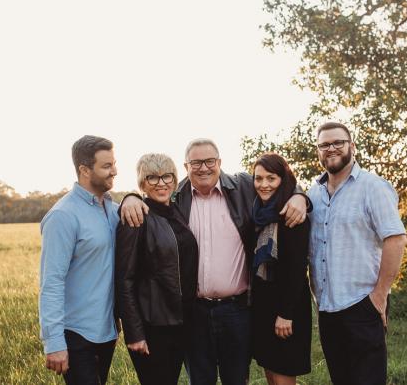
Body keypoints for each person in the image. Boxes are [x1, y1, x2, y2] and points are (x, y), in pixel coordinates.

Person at [120, 138, 308, 385]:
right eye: (196, 163)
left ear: (219, 162)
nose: (203, 168)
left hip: (238, 310)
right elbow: (153, 197)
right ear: (186, 166)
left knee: (236, 379)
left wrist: (300, 196)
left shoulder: (243, 187)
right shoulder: (177, 197)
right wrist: (130, 197)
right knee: (200, 380)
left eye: (209, 161)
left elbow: (278, 182)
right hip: (194, 312)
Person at [308, 122, 407, 385]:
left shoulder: (373, 187)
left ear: (352, 146)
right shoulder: (313, 194)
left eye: (338, 142)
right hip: (328, 309)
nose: (331, 149)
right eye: (324, 145)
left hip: (363, 304)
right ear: (318, 151)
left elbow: (395, 239)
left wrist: (379, 295)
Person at [39, 135, 119, 384]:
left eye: (114, 164)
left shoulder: (113, 209)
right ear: (84, 170)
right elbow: (51, 282)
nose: (114, 171)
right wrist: (54, 342)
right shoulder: (63, 216)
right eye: (106, 166)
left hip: (107, 331)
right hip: (76, 334)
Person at [115, 153, 198, 385]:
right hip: (153, 327)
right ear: (142, 182)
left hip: (180, 322)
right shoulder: (136, 217)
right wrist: (135, 332)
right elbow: (125, 279)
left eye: (167, 176)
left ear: (175, 179)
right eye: (152, 177)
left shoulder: (177, 211)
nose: (161, 183)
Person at [250, 153, 312, 385]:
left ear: (283, 180)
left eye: (271, 178)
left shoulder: (293, 214)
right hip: (263, 304)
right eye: (258, 178)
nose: (264, 184)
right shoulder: (257, 212)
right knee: (270, 370)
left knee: (284, 372)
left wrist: (286, 314)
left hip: (288, 307)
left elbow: (297, 269)